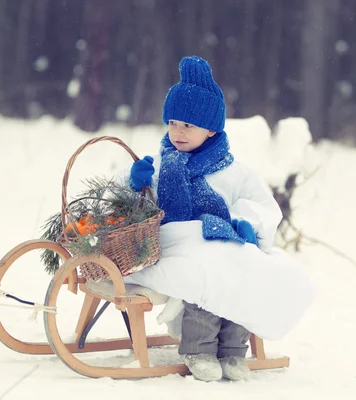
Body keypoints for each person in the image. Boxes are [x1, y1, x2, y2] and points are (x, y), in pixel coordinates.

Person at [122, 56, 315, 382]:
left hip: (225, 240)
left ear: (211, 129)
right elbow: (128, 211)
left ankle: (232, 350)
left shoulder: (234, 171)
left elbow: (263, 206)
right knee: (208, 271)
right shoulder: (161, 165)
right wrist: (135, 182)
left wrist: (246, 224)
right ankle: (199, 348)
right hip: (173, 246)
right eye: (172, 123)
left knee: (247, 268)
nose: (178, 133)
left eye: (188, 125)